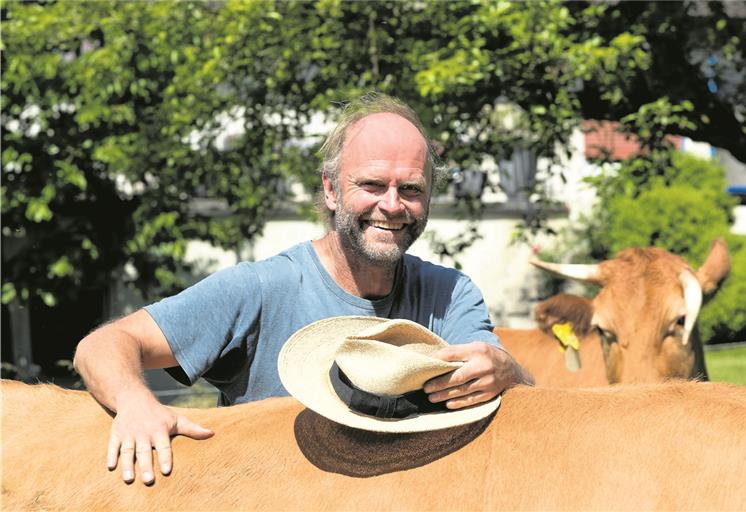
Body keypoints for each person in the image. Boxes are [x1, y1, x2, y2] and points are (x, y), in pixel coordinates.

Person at [74, 93, 534, 486]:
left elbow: (511, 396)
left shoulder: (450, 294)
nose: (392, 206)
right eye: (372, 184)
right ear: (332, 190)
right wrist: (135, 402)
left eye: (410, 188)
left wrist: (510, 371)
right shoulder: (258, 288)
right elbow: (104, 344)